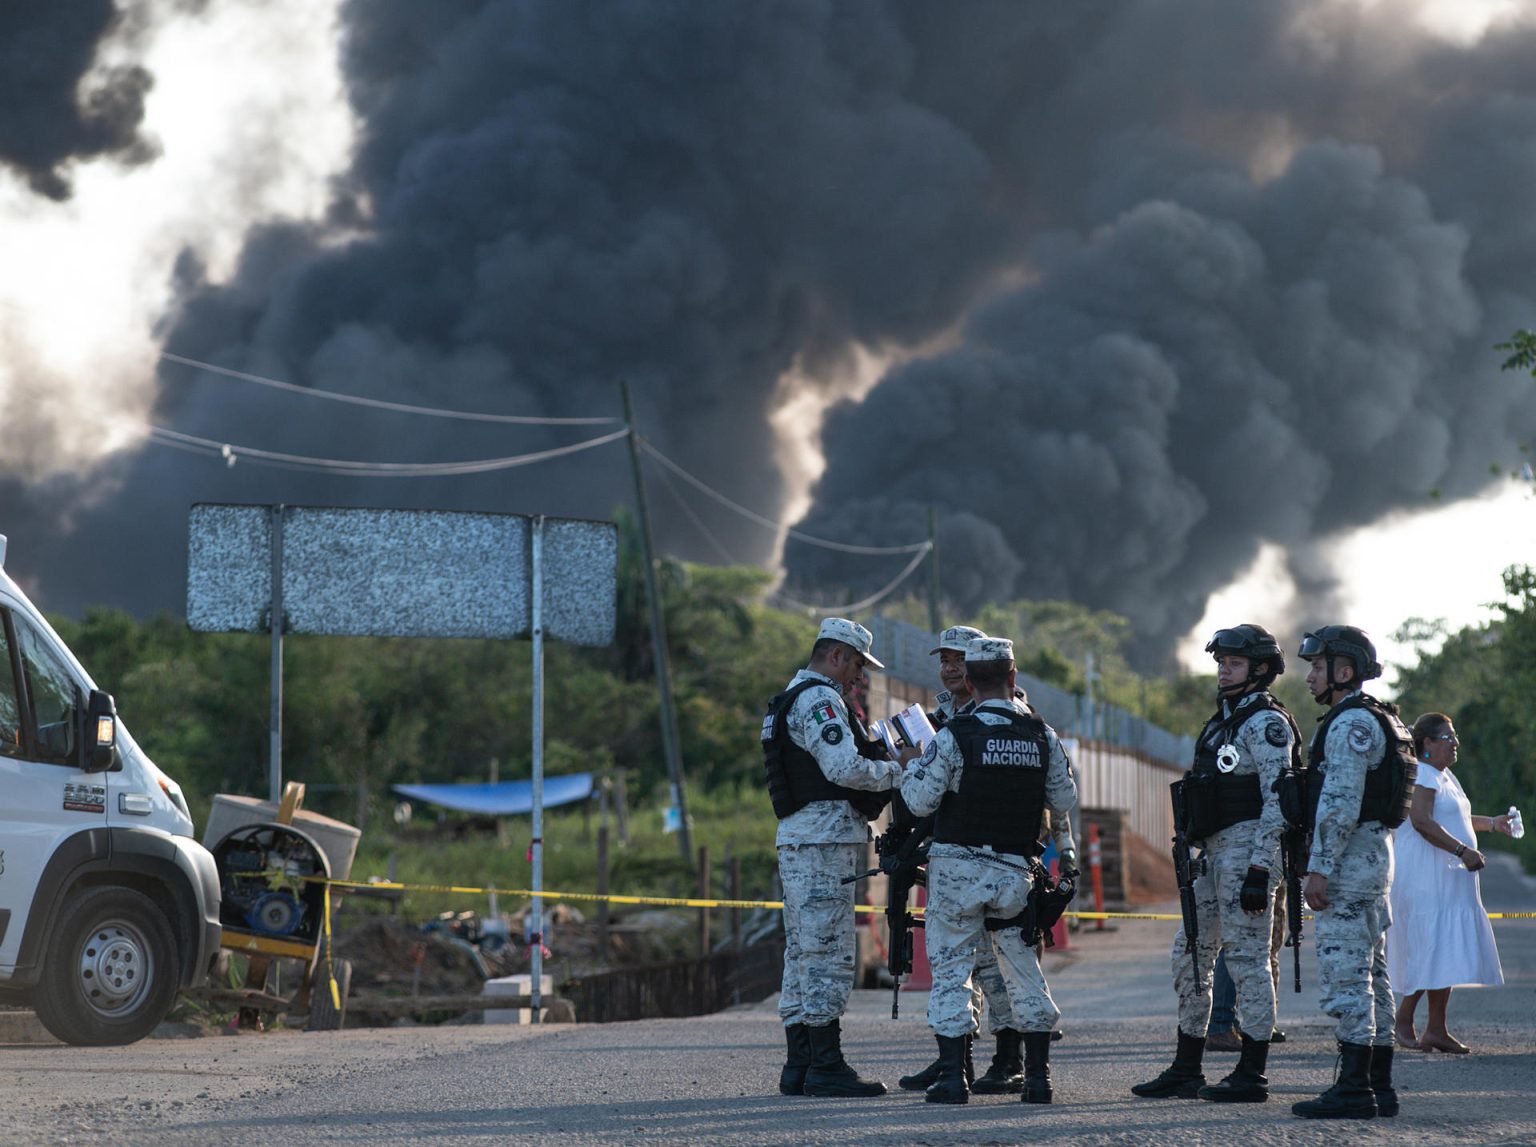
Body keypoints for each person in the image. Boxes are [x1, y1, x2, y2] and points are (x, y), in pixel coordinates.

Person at [899, 636, 1079, 1105]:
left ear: (972, 683)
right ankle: (1037, 1079)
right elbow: (1063, 801)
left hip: (957, 868)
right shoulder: (1043, 734)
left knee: (952, 970)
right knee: (1022, 970)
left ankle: (953, 1079)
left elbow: (919, 800)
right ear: (1013, 678)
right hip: (1015, 871)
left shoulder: (955, 734)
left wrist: (910, 768)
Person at [1132, 624, 1296, 1104]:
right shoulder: (1223, 720)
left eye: (1234, 662)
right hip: (1213, 853)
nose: (1223, 669)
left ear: (1261, 669)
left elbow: (1277, 801)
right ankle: (1187, 1067)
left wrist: (1261, 870)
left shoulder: (1267, 724)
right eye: (1221, 661)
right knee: (1189, 954)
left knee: (1247, 962)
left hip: (1249, 854)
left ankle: (1253, 1073)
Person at [763, 618, 901, 1098]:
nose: (859, 678)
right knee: (825, 953)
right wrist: (896, 771)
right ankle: (826, 1065)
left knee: (802, 951)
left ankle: (799, 1064)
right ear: (838, 656)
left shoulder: (788, 697)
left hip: (802, 838)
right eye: (858, 666)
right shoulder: (821, 700)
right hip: (823, 841)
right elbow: (842, 766)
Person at [1291, 625, 1413, 1120]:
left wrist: (1318, 870)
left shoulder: (1347, 725)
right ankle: (1379, 1086)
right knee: (1374, 976)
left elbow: (1338, 804)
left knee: (1347, 978)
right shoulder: (1378, 719)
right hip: (1374, 862)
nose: (1310, 677)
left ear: (1344, 671)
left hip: (1347, 867)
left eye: (1317, 667)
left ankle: (1353, 1088)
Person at [1388, 712, 1513, 1054]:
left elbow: (1453, 816)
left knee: (1443, 948)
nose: (1455, 743)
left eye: (1454, 737)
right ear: (1426, 744)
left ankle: (1436, 1029)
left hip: (1448, 877)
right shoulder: (1424, 774)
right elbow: (1422, 822)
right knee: (1430, 946)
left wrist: (1492, 823)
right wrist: (1462, 851)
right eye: (1448, 738)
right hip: (1426, 877)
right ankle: (1403, 1019)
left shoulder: (1443, 776)